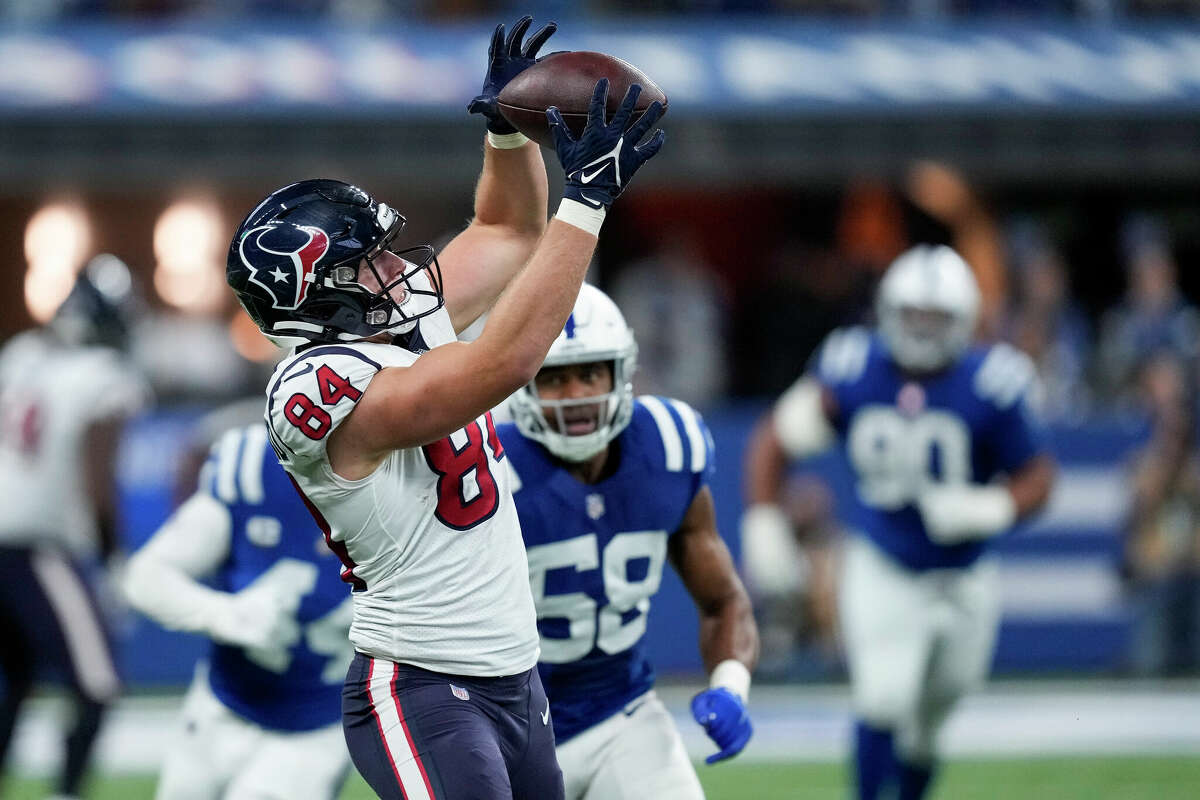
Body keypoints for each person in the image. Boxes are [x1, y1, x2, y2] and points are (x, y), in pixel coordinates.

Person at [223, 15, 665, 800]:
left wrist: (505, 133)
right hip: (422, 685)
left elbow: (508, 227)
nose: (399, 265)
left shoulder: (392, 320)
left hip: (516, 678)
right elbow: (502, 363)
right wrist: (589, 202)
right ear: (315, 299)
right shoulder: (311, 395)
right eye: (370, 262)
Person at [740, 244, 1056, 800]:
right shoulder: (855, 366)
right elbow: (775, 440)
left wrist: (992, 507)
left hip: (966, 574)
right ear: (888, 311)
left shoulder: (992, 381)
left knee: (932, 720)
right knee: (884, 698)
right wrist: (764, 521)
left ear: (964, 321)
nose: (923, 329)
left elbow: (1038, 476)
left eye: (937, 318)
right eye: (913, 315)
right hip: (884, 560)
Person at [500, 284, 758, 800]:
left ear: (622, 373)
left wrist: (731, 685)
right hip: (501, 728)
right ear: (522, 380)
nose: (575, 397)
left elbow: (723, 599)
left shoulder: (667, 447)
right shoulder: (486, 469)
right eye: (554, 378)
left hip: (619, 713)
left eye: (590, 373)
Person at [123, 422, 354, 800]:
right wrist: (225, 614)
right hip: (222, 704)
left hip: (319, 724)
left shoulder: (416, 482)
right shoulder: (252, 466)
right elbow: (146, 576)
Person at [0, 255, 151, 800]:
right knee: (98, 683)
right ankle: (66, 792)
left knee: (13, 682)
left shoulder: (20, 356)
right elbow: (98, 479)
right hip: (37, 544)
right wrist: (113, 557)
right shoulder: (106, 378)